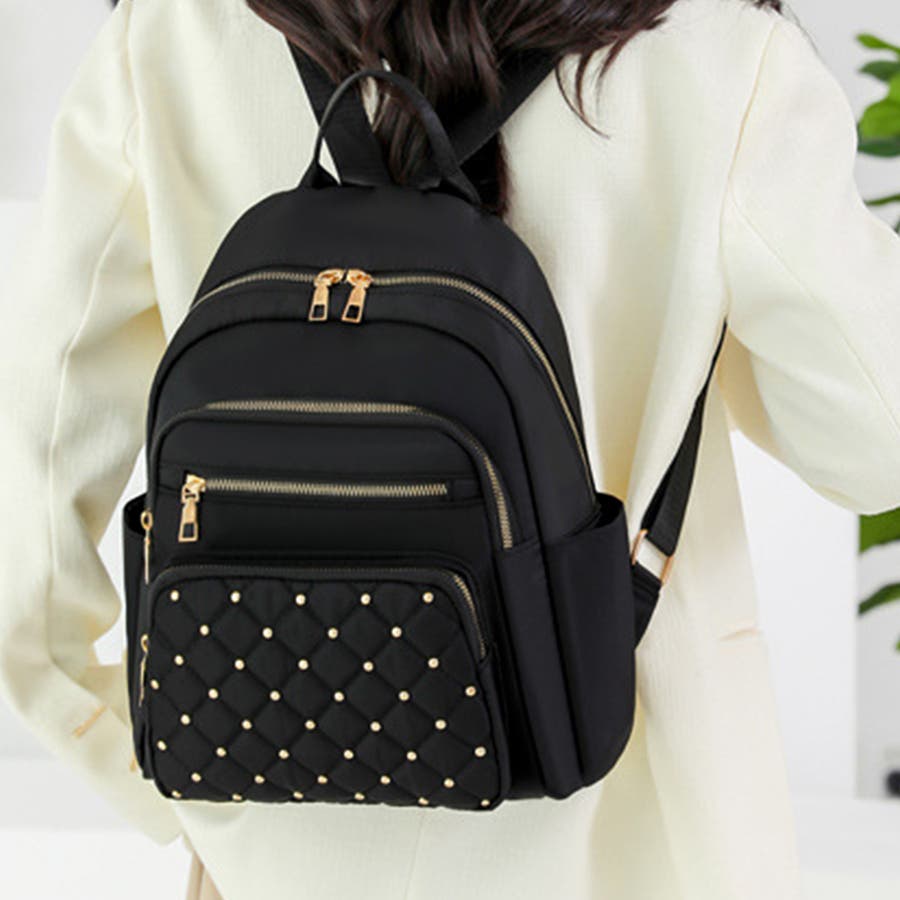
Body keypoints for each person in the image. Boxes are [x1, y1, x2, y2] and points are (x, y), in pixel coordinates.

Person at [2, 0, 900, 898]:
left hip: (278, 841)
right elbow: (875, 443)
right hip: (641, 839)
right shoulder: (713, 50)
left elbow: (26, 507)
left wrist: (168, 776)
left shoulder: (172, 36)